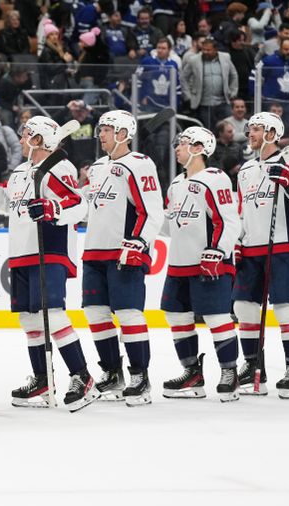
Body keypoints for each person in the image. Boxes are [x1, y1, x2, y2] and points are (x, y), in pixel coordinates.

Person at [0, 116, 98, 410]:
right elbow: (6, 203)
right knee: (29, 318)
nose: (22, 138)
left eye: (27, 134)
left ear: (40, 139)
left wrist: (53, 208)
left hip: (48, 248)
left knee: (52, 313)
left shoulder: (58, 168)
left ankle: (82, 376)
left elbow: (79, 205)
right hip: (22, 250)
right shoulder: (21, 171)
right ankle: (43, 379)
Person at [82, 110, 164, 405]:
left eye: (105, 129)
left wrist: (139, 242)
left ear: (122, 133)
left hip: (124, 250)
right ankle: (112, 373)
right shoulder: (97, 167)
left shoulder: (139, 164)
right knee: (95, 313)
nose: (100, 134)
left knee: (129, 313)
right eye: (101, 129)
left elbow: (152, 209)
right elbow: (86, 207)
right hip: (93, 250)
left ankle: (140, 377)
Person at [234, 112, 289, 397]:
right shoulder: (245, 170)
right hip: (252, 246)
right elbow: (242, 212)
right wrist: (237, 240)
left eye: (255, 129)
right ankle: (253, 366)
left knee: (284, 306)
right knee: (243, 306)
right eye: (249, 130)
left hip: (284, 244)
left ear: (271, 133)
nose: (250, 134)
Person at [161, 127, 241, 401]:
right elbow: (170, 226)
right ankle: (192, 374)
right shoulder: (175, 184)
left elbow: (229, 220)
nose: (176, 148)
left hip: (209, 262)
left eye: (181, 143)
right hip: (179, 263)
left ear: (198, 147)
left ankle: (229, 373)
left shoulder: (214, 178)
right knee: (177, 316)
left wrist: (217, 250)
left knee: (217, 317)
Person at [181, 38, 238, 130]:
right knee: (207, 130)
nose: (205, 52)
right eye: (203, 49)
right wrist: (188, 96)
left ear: (215, 50)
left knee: (228, 128)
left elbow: (234, 75)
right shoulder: (194, 60)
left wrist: (233, 92)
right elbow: (183, 77)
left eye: (208, 50)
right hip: (203, 103)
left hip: (223, 102)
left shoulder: (226, 57)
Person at [256, 38, 289, 136]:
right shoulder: (268, 61)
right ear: (280, 48)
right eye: (286, 49)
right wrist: (257, 94)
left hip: (288, 102)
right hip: (271, 100)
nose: (288, 52)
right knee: (268, 129)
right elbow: (255, 77)